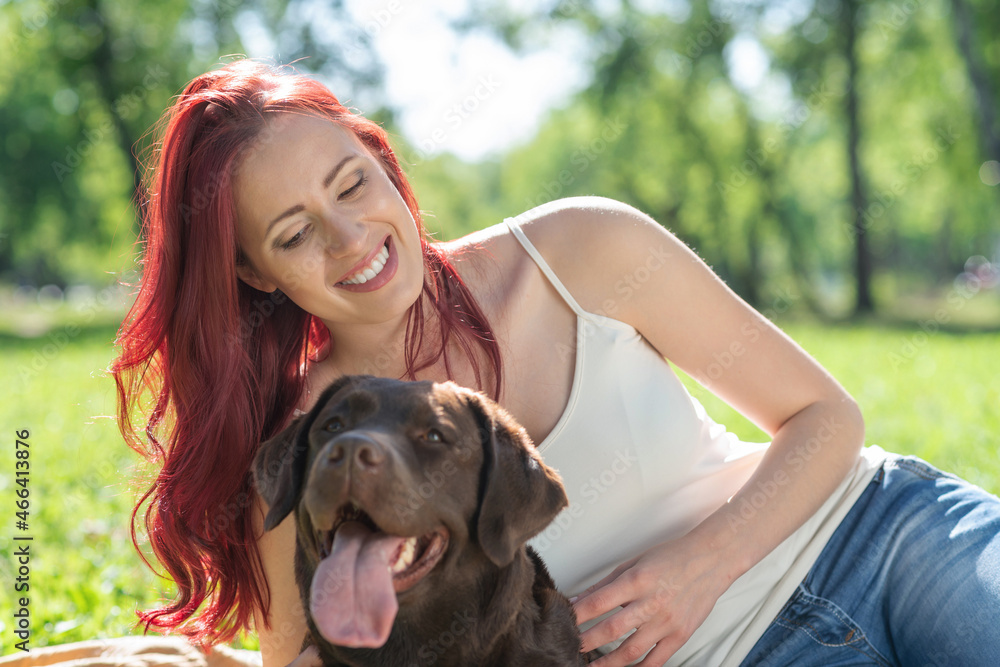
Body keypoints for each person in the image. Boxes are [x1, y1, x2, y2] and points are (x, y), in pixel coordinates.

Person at [105, 59, 1000, 667]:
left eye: (352, 183)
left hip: (882, 536)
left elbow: (828, 419)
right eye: (295, 233)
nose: (351, 240)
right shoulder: (317, 445)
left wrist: (701, 566)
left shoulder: (578, 249)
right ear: (252, 272)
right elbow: (308, 653)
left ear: (381, 162)